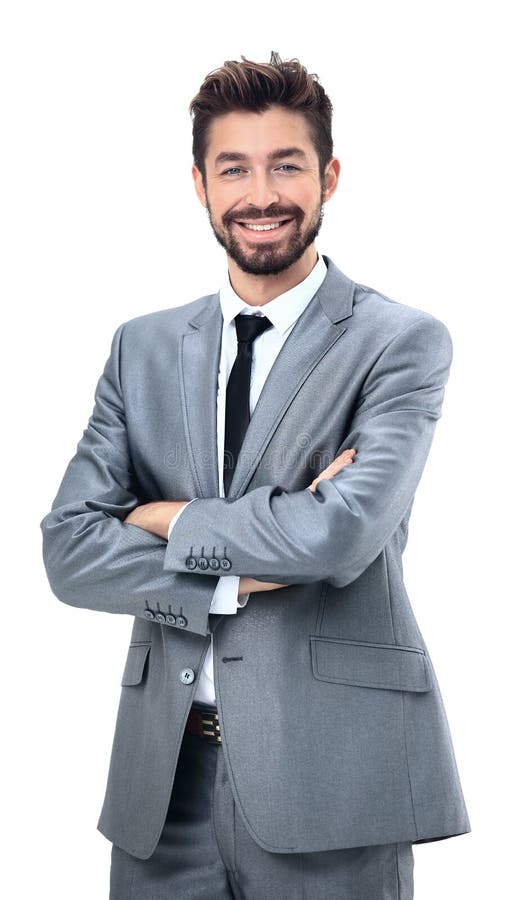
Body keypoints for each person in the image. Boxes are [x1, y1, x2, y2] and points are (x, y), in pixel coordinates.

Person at [40, 51, 471, 900]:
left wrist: (163, 516)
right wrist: (232, 580)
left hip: (333, 778)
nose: (261, 194)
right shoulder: (143, 347)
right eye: (234, 167)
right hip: (161, 789)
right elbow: (69, 551)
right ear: (199, 183)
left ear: (329, 176)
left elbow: (339, 533)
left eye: (286, 165)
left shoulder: (398, 342)